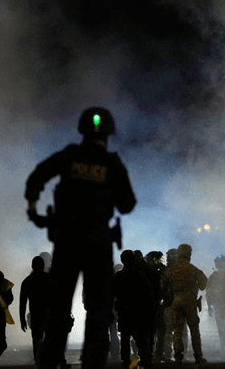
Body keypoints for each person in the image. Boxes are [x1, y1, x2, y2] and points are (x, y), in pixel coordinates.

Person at [25, 107, 138, 369]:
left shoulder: (69, 156)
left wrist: (34, 210)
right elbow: (127, 204)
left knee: (58, 312)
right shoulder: (112, 163)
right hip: (98, 243)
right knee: (99, 315)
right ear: (109, 133)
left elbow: (37, 177)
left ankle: (48, 364)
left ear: (81, 130)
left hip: (66, 241)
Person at [161, 244, 208, 364]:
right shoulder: (193, 269)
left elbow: (163, 288)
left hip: (175, 303)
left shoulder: (170, 270)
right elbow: (203, 284)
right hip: (190, 303)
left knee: (177, 330)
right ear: (189, 254)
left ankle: (178, 356)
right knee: (194, 331)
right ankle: (198, 356)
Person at [113, 250, 156, 369]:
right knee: (140, 338)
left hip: (124, 312)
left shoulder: (118, 276)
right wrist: (151, 310)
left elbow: (112, 293)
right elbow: (148, 293)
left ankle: (126, 361)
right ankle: (144, 359)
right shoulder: (139, 275)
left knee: (125, 338)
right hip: (138, 311)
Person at [21, 256, 56, 368]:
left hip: (36, 315)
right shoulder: (49, 278)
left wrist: (22, 320)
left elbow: (22, 303)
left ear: (32, 266)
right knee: (49, 338)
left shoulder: (27, 281)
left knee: (36, 340)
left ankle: (38, 361)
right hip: (48, 315)